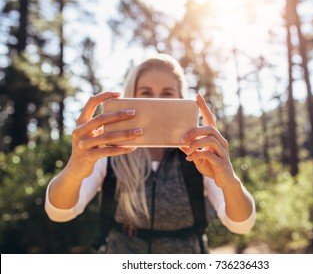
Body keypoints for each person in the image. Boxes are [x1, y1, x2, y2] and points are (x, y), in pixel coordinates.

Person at [45, 53, 255, 254]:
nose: (156, 102)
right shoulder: (108, 151)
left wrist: (229, 181)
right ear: (131, 97)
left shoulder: (199, 152)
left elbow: (241, 225)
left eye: (167, 94)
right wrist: (74, 169)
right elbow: (60, 213)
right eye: (146, 93)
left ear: (181, 99)